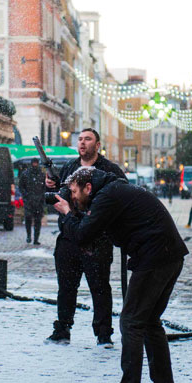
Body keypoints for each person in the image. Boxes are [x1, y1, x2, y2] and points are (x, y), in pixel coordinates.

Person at [53, 166, 189, 383]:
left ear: (88, 187)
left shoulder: (107, 196)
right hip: (167, 255)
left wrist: (67, 212)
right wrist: (75, 213)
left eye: (74, 192)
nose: (72, 198)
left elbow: (84, 234)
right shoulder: (110, 192)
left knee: (131, 321)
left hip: (155, 257)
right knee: (148, 321)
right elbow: (92, 229)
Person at [44, 128, 126, 346]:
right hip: (69, 236)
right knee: (66, 286)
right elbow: (60, 198)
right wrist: (52, 186)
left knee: (99, 288)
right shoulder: (70, 167)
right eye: (80, 139)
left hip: (97, 239)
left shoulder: (109, 170)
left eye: (87, 139)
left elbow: (121, 197)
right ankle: (62, 329)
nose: (82, 143)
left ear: (97, 145)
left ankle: (103, 333)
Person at [18, 159, 46, 245]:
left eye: (36, 163)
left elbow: (44, 187)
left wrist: (42, 197)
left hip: (39, 201)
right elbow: (21, 186)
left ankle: (36, 238)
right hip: (29, 200)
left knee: (37, 220)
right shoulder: (26, 174)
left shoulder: (41, 175)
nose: (35, 164)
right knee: (28, 218)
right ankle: (29, 236)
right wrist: (26, 195)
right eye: (34, 163)